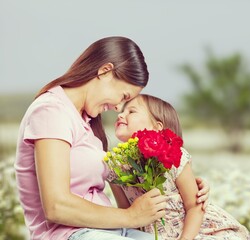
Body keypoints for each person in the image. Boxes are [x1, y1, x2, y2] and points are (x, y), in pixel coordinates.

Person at [14, 36, 210, 240]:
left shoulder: (86, 123)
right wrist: (131, 216)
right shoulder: (51, 111)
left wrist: (187, 187)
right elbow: (57, 206)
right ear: (105, 71)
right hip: (70, 234)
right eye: (124, 96)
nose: (118, 107)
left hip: (108, 231)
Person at [112, 94, 250, 240]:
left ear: (157, 127)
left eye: (131, 111)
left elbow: (194, 206)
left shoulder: (173, 157)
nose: (121, 115)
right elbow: (126, 214)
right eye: (123, 111)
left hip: (196, 231)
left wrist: (185, 239)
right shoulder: (115, 166)